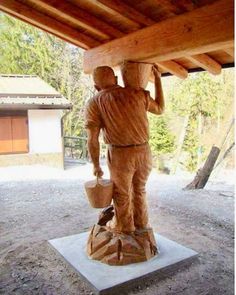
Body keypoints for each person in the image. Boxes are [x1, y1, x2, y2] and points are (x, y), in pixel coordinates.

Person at [85, 65, 164, 233]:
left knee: (122, 193)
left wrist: (96, 165)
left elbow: (92, 139)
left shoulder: (95, 102)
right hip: (144, 152)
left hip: (120, 154)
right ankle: (141, 222)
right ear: (115, 80)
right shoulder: (138, 94)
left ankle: (124, 226)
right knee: (139, 189)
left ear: (96, 87)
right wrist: (158, 79)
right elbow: (160, 109)